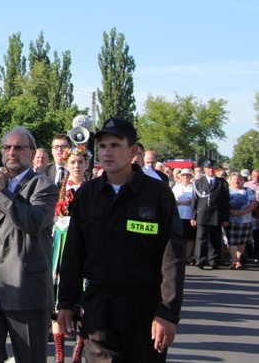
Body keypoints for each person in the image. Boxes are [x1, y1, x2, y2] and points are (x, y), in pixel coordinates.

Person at [57, 117, 185, 362]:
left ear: (133, 151)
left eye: (115, 145)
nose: (107, 152)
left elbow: (173, 258)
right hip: (99, 308)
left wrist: (168, 313)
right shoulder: (88, 194)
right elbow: (74, 252)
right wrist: (66, 302)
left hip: (144, 309)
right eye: (103, 147)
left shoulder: (157, 194)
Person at [0, 127, 57, 363]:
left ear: (31, 154)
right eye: (7, 147)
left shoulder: (43, 185)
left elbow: (32, 222)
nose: (12, 152)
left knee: (30, 358)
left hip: (27, 292)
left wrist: (1, 193)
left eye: (19, 147)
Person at [51, 146, 90, 363]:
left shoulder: (91, 189)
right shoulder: (59, 188)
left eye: (81, 162)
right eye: (73, 162)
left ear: (86, 165)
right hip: (59, 246)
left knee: (81, 304)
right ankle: (59, 355)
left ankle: (77, 353)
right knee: (58, 303)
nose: (76, 166)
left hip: (82, 249)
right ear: (66, 165)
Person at [191, 159, 230, 270]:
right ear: (204, 169)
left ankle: (214, 260)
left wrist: (225, 218)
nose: (210, 169)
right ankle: (200, 260)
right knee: (201, 238)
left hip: (216, 215)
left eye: (212, 167)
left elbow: (226, 202)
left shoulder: (222, 183)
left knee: (215, 238)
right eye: (208, 168)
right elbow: (195, 201)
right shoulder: (198, 183)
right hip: (202, 214)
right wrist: (193, 216)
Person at [226, 172, 256, 269]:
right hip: (231, 220)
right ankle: (233, 260)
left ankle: (238, 259)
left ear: (243, 181)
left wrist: (244, 212)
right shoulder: (227, 191)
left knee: (242, 242)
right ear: (230, 181)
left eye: (239, 179)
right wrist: (232, 211)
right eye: (234, 179)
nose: (237, 181)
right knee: (232, 241)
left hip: (245, 220)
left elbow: (253, 204)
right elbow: (223, 203)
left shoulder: (247, 190)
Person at [172, 168, 197, 264]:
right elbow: (172, 200)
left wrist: (191, 202)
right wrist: (180, 202)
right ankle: (179, 256)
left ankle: (187, 257)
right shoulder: (176, 187)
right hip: (179, 215)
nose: (186, 177)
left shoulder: (194, 187)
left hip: (190, 215)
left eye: (188, 175)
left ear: (191, 177)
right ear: (180, 177)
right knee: (179, 237)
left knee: (190, 238)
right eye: (184, 175)